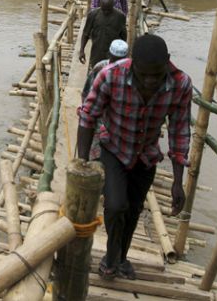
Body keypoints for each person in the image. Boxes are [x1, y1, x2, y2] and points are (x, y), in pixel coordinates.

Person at [77, 33, 191, 281]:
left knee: (133, 211)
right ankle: (110, 257)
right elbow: (88, 115)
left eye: (156, 74)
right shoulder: (110, 75)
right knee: (116, 205)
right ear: (132, 64)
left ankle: (122, 258)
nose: (150, 81)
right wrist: (83, 162)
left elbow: (179, 132)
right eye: (143, 74)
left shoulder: (181, 84)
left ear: (167, 62)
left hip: (146, 155)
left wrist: (177, 182)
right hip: (114, 148)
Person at [81, 39, 130, 161]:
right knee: (97, 148)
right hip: (99, 115)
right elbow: (87, 92)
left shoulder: (128, 71)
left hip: (115, 118)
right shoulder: (100, 69)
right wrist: (86, 110)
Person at [79, 0, 127, 69]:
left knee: (112, 72)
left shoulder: (120, 16)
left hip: (113, 53)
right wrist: (82, 50)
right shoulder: (93, 15)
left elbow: (123, 35)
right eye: (104, 9)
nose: (106, 12)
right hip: (97, 50)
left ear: (113, 6)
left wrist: (124, 53)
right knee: (96, 70)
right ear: (100, 4)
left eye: (109, 10)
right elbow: (86, 33)